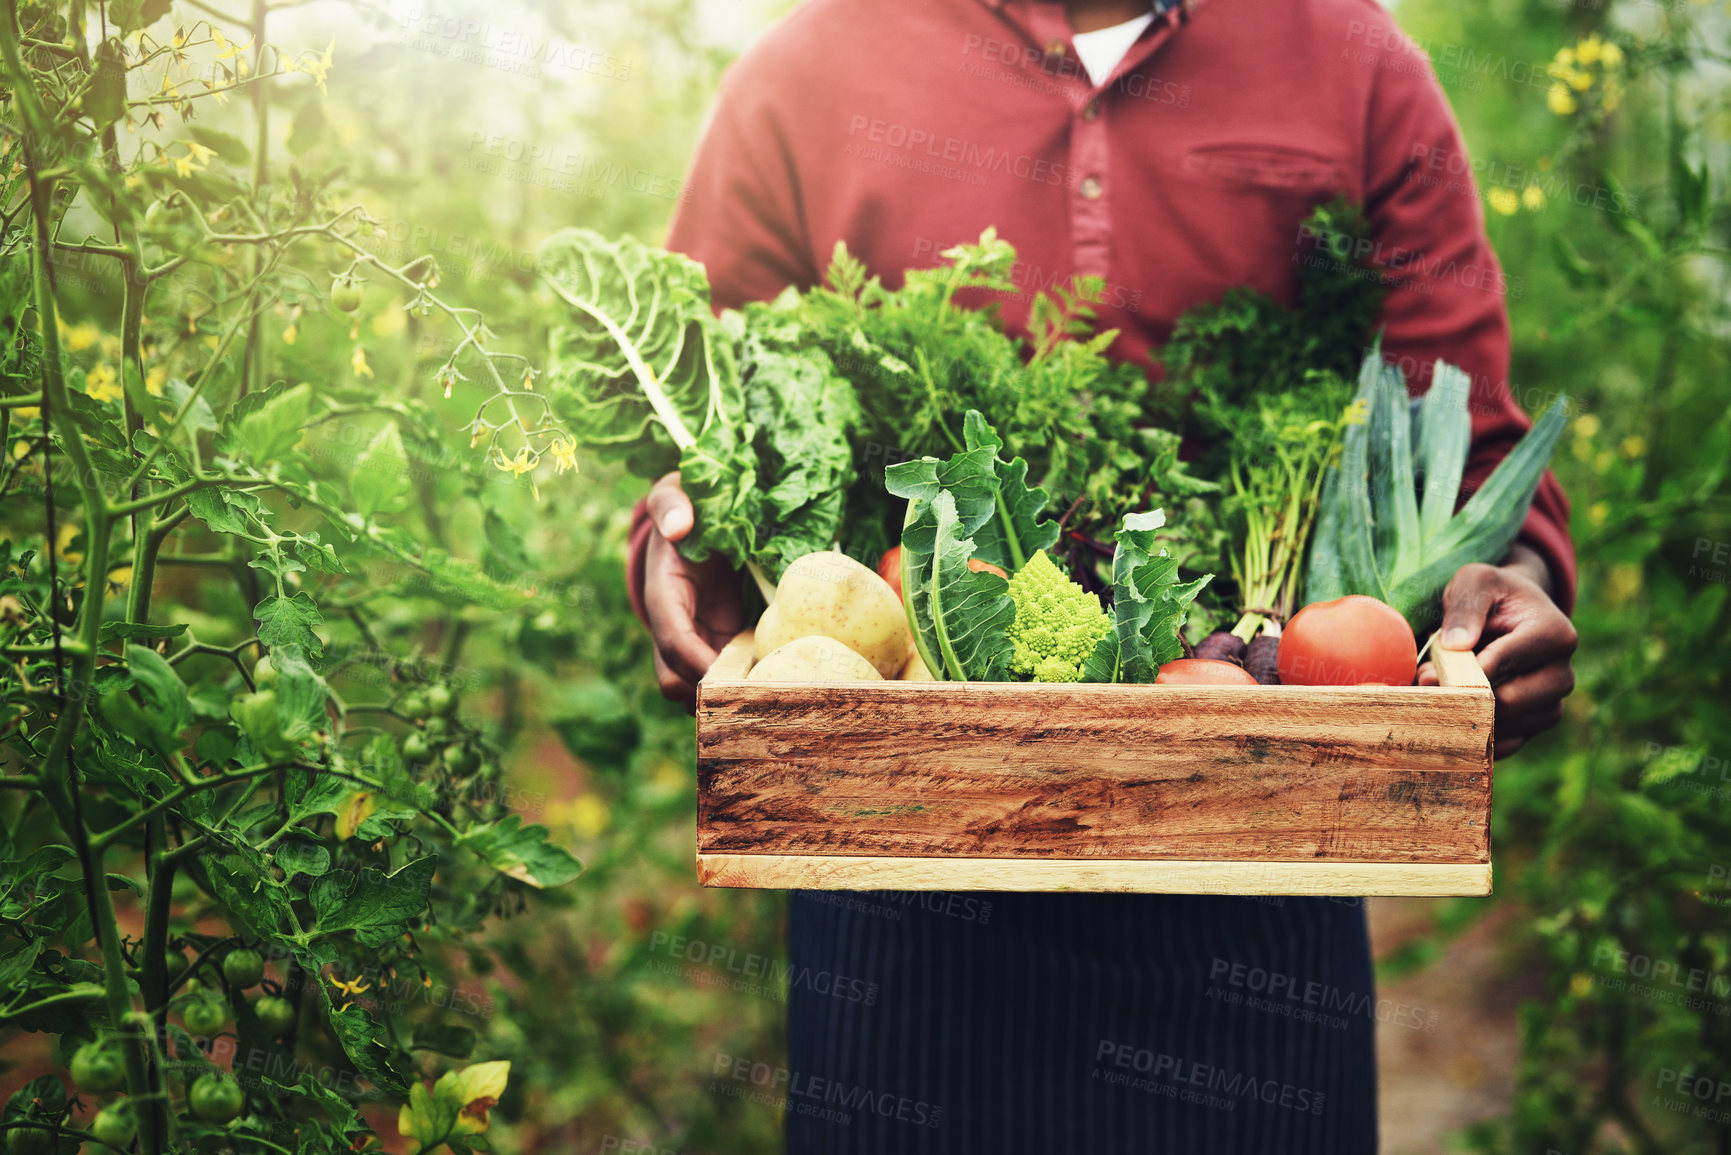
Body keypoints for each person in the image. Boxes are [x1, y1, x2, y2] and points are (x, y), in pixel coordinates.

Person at [628, 0, 1579, 1149]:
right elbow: (710, 426)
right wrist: (683, 548)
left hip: (1258, 857)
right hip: (899, 861)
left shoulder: (1355, 62)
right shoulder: (806, 73)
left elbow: (1471, 439)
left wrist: (1516, 578)